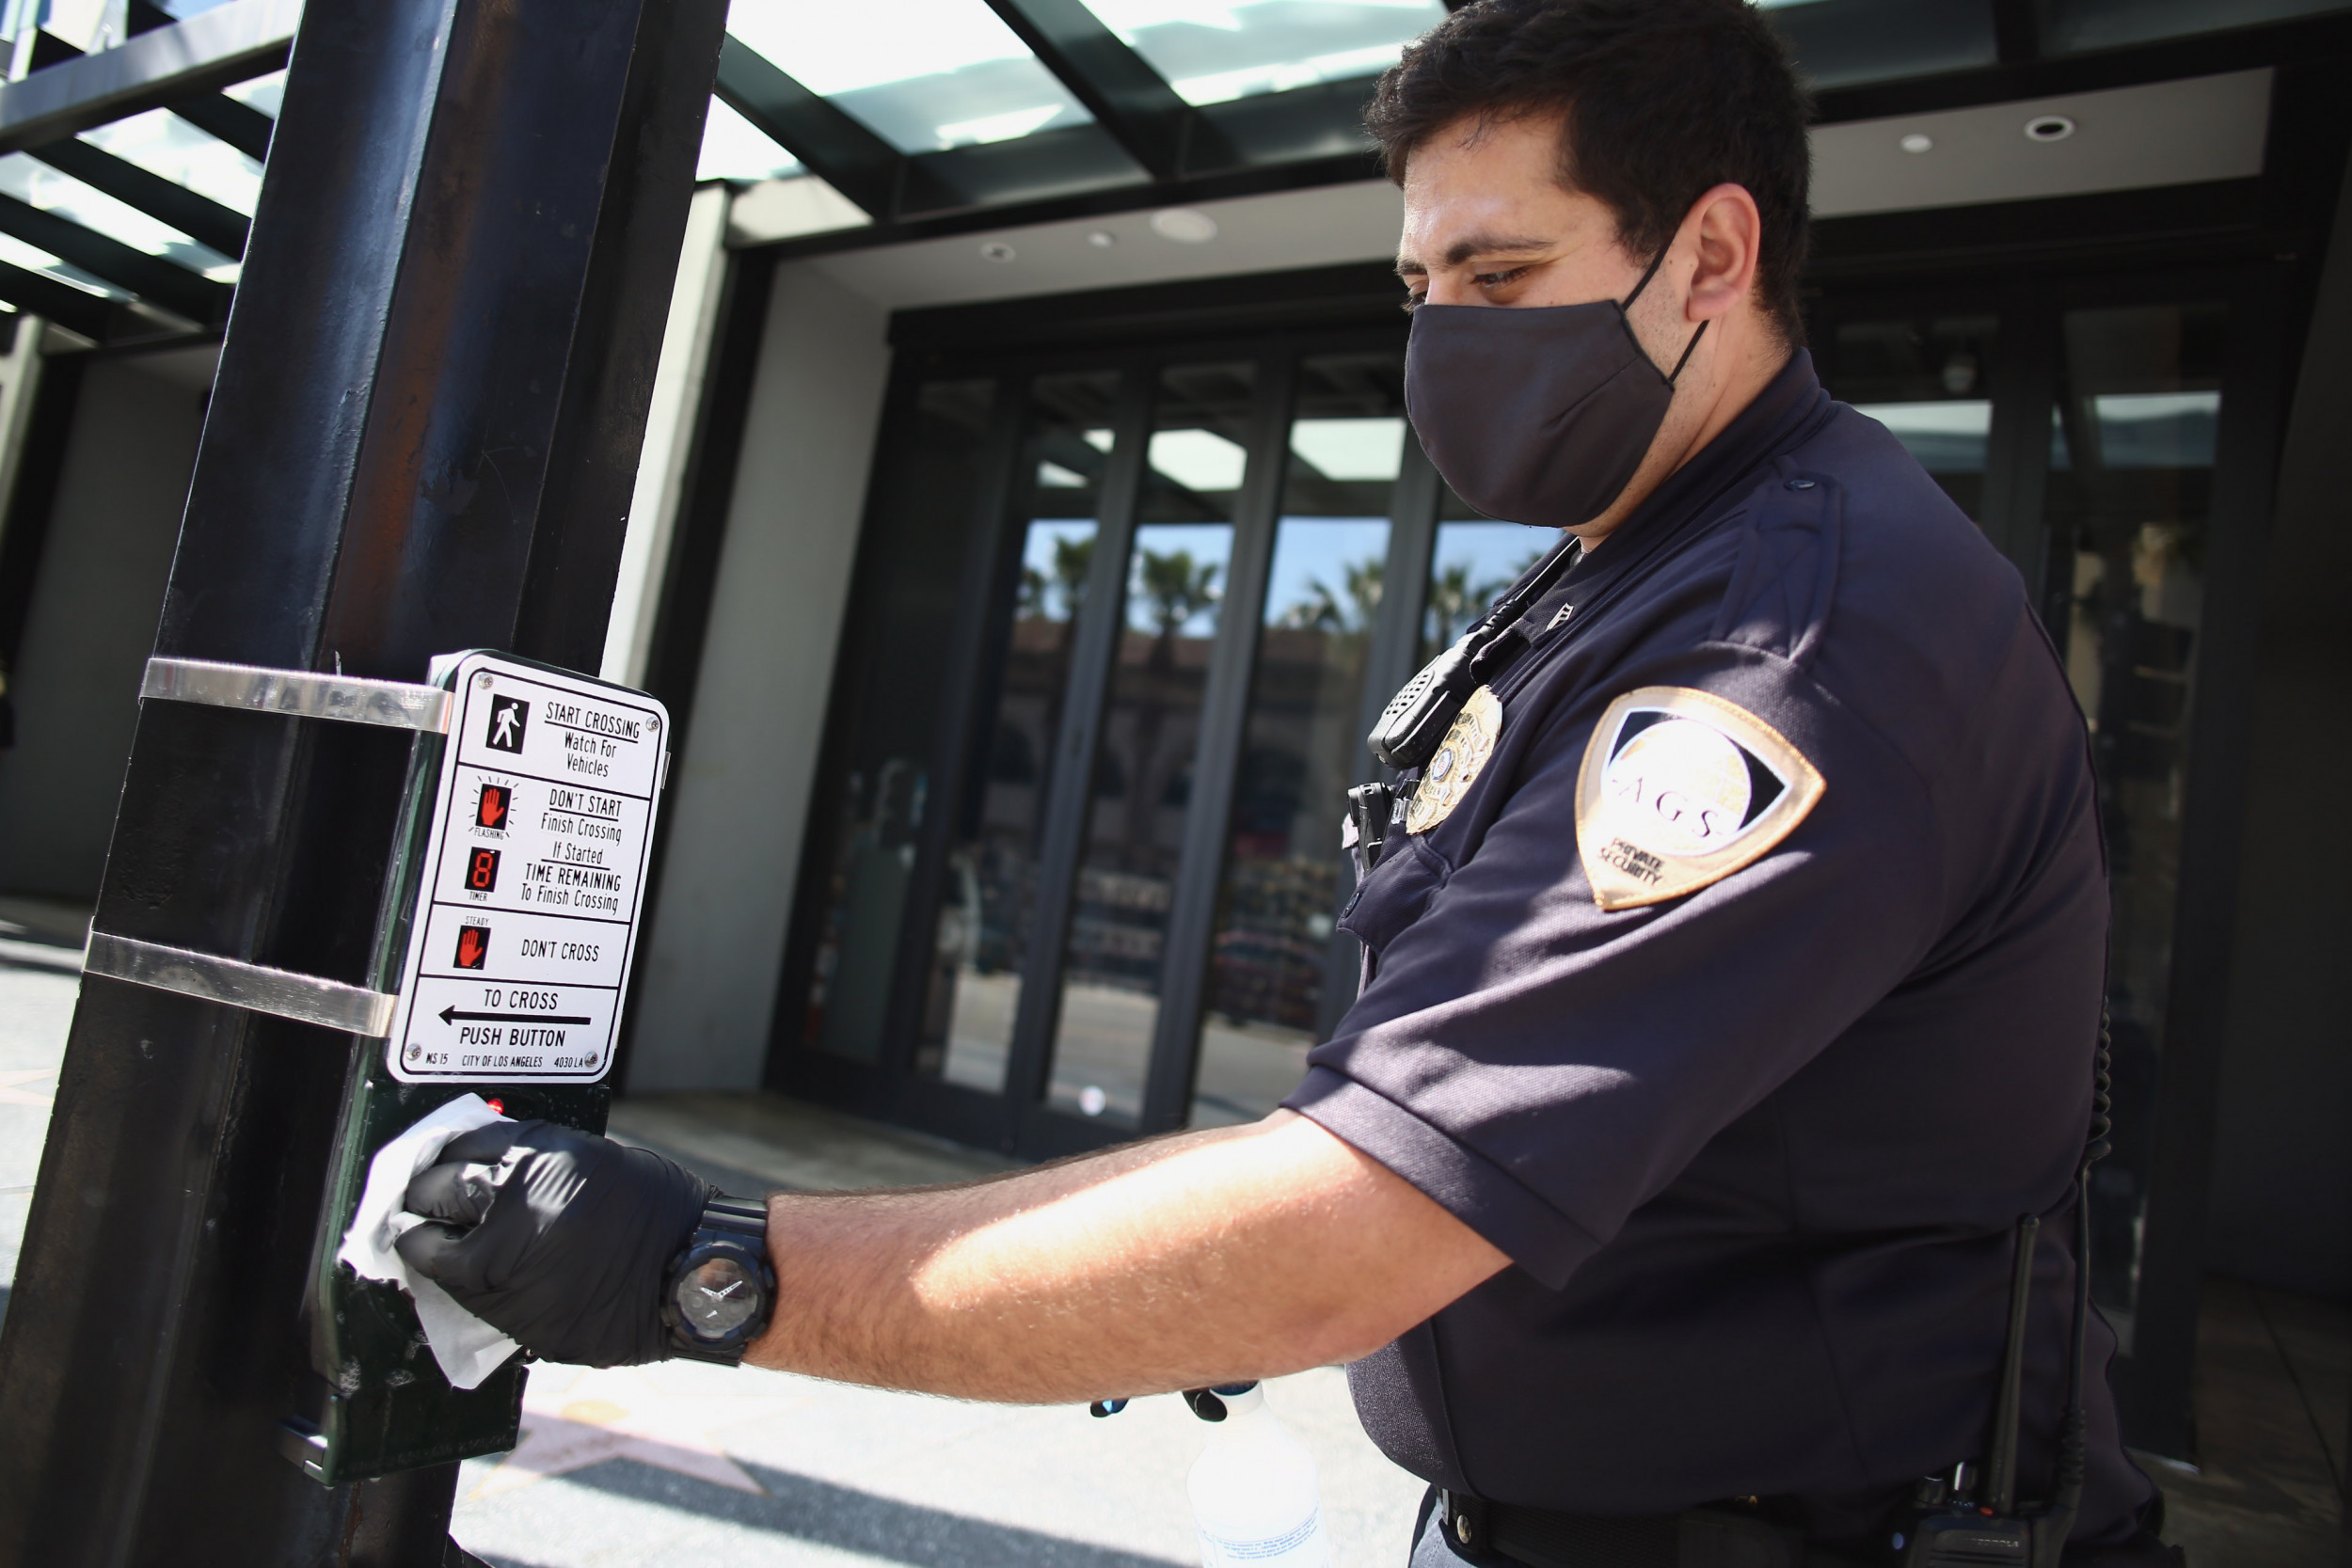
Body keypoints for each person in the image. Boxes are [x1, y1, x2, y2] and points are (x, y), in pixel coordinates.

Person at [396, 2, 2180, 1561]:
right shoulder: (1635, 566)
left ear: (1712, 255)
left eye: (1500, 277)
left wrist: (715, 1270)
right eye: (1420, 286)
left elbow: (1361, 1226)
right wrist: (1158, 1272)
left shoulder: (1797, 642)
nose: (1442, 336)